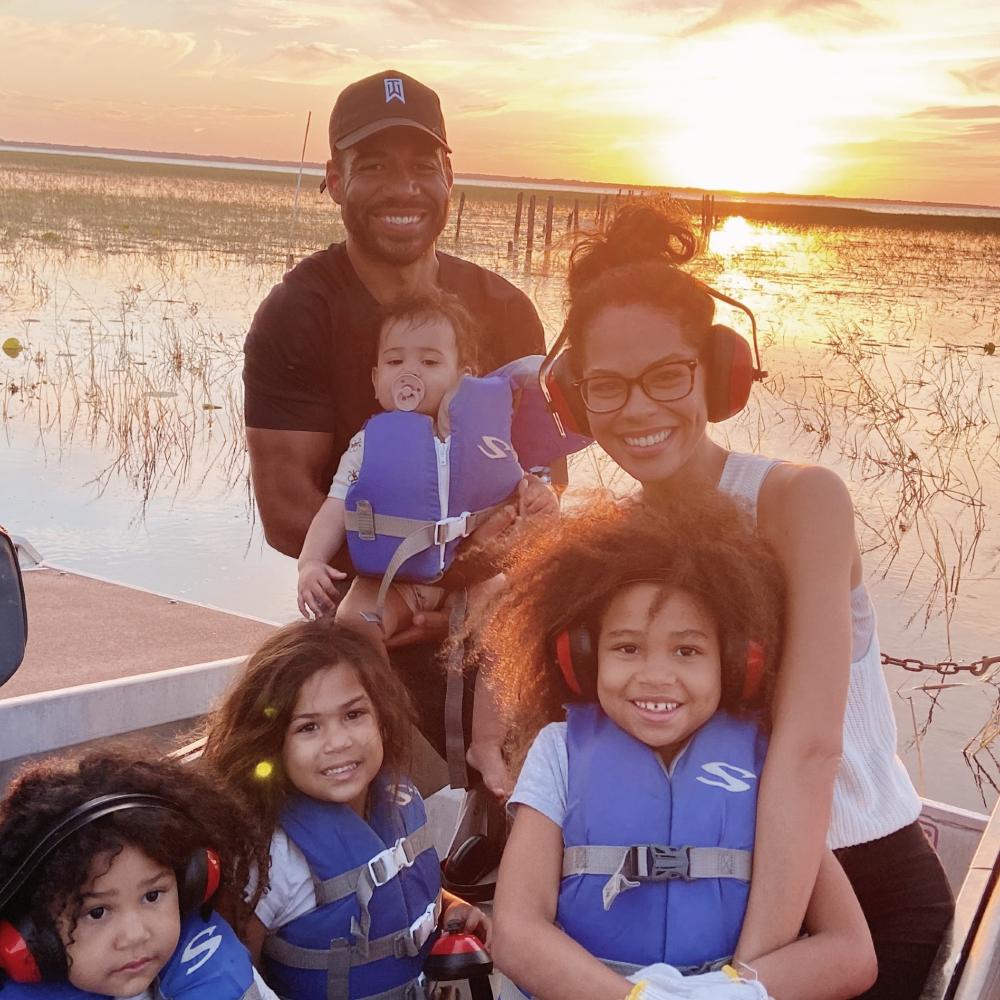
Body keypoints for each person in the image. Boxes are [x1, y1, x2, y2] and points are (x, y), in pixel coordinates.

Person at [542, 202, 954, 999]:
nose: (638, 408)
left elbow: (808, 750)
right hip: (699, 897)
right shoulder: (612, 545)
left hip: (853, 890)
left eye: (668, 375)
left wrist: (746, 976)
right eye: (606, 386)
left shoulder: (802, 502)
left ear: (718, 372)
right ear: (573, 399)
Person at [243, 68, 549, 756]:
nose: (402, 188)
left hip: (487, 607)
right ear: (335, 177)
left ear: (448, 174)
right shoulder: (299, 313)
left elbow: (538, 483)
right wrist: (409, 585)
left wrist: (462, 591)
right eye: (372, 166)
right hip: (371, 608)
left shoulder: (505, 311)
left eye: (421, 165)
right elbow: (288, 504)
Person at [481, 493, 876, 1000]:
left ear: (737, 664)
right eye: (626, 648)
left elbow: (850, 951)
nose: (655, 677)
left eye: (687, 651)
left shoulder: (767, 766)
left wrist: (732, 991)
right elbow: (516, 933)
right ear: (580, 656)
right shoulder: (559, 752)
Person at [296, 291, 558, 797]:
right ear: (376, 380)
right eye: (394, 361)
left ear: (466, 377)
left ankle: (487, 742)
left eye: (430, 361)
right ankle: (385, 728)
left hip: (473, 575)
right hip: (395, 577)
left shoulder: (488, 436)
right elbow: (334, 509)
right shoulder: (368, 443)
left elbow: (525, 486)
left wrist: (540, 496)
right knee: (353, 625)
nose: (408, 373)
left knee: (506, 627)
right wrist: (310, 562)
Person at [199, 619, 490, 1000]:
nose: (337, 742)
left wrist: (454, 908)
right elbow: (234, 978)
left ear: (382, 719)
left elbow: (410, 893)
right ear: (271, 744)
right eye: (308, 727)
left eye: (354, 715)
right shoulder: (270, 856)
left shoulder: (402, 797)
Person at [0, 750, 277, 999]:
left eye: (152, 895)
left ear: (192, 885)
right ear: (33, 938)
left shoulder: (214, 966)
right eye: (97, 912)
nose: (135, 935)